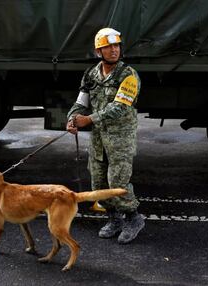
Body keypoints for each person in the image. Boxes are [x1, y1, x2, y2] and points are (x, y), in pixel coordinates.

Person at [66, 27, 145, 244]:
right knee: (98, 182)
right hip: (99, 138)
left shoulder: (128, 74)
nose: (113, 50)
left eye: (117, 45)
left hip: (120, 138)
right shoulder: (91, 74)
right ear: (98, 51)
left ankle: (133, 218)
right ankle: (114, 219)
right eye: (108, 46)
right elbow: (80, 102)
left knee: (117, 181)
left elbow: (119, 107)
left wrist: (88, 120)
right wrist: (72, 119)